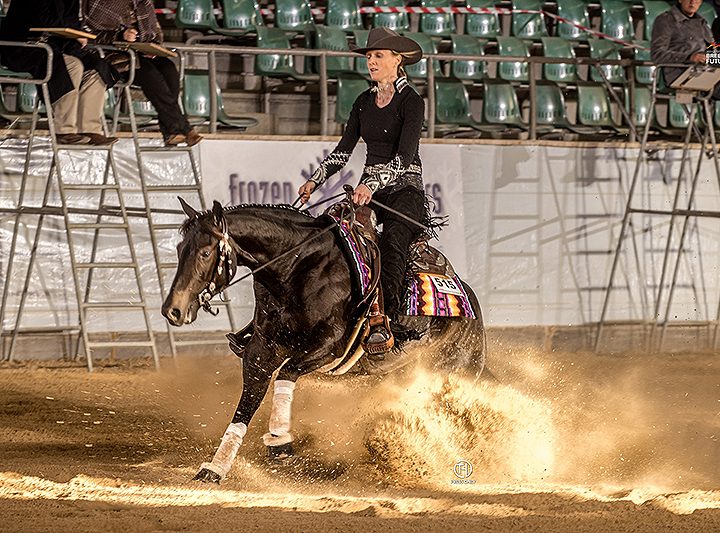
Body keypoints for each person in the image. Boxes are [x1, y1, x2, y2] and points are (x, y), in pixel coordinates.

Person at [297, 27, 427, 354]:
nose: (371, 61)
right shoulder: (363, 102)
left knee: (393, 245)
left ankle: (390, 323)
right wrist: (315, 179)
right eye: (369, 56)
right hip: (369, 193)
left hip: (404, 192)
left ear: (397, 60)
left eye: (378, 56)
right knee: (336, 236)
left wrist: (370, 183)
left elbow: (404, 156)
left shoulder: (412, 101)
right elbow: (343, 151)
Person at [82, 0, 202, 147]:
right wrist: (121, 35)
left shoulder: (144, 2)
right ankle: (183, 128)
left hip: (139, 53)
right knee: (148, 71)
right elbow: (89, 33)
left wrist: (152, 45)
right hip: (112, 55)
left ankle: (172, 131)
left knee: (168, 68)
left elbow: (155, 33)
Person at [0, 0, 119, 145]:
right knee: (73, 65)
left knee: (96, 67)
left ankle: (89, 129)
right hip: (25, 45)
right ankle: (64, 130)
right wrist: (71, 32)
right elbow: (41, 20)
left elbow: (71, 23)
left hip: (55, 47)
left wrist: (77, 34)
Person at [651, 0, 716, 96]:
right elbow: (657, 54)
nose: (692, 2)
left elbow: (713, 49)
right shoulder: (666, 20)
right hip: (680, 74)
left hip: (702, 71)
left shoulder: (701, 23)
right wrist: (688, 57)